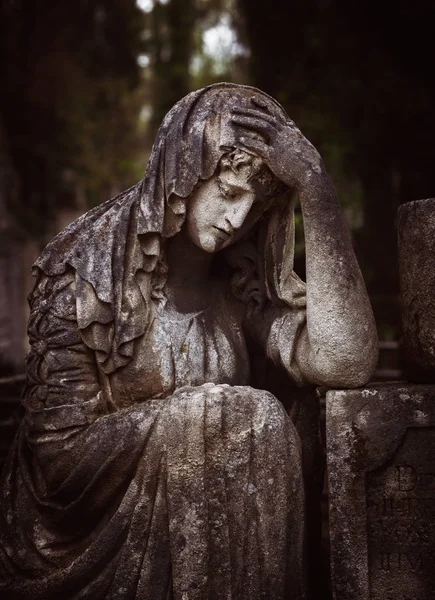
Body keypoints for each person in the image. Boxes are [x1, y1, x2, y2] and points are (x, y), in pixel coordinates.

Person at [0, 83, 378, 600]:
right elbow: (55, 458)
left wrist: (317, 192)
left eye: (258, 202)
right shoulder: (86, 269)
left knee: (271, 413)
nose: (238, 219)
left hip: (225, 527)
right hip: (87, 538)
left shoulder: (241, 277)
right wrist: (202, 420)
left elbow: (345, 363)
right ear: (184, 173)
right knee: (239, 417)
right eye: (227, 192)